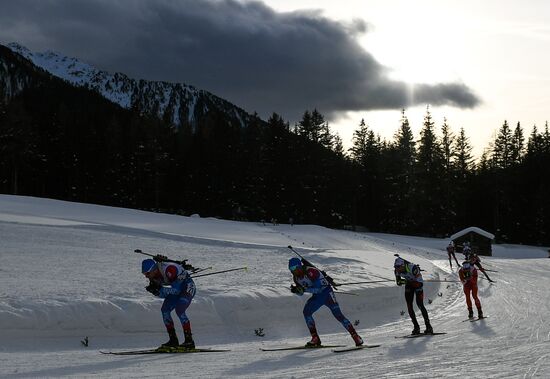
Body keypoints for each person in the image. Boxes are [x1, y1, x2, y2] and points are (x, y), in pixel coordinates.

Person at [288, 257, 363, 347]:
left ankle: (356, 337)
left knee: (339, 315)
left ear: (299, 266)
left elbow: (319, 289)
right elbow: (302, 292)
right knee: (306, 312)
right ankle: (315, 338)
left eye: (294, 268)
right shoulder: (296, 278)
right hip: (317, 297)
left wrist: (304, 289)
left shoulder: (311, 271)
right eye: (290, 269)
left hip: (327, 294)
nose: (293, 271)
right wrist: (297, 291)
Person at [142, 258, 196, 349]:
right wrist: (156, 292)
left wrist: (160, 289)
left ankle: (189, 341)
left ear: (154, 269)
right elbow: (164, 295)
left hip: (187, 287)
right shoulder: (153, 276)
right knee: (165, 310)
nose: (146, 276)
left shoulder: (170, 269)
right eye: (144, 274)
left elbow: (177, 290)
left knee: (179, 310)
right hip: (177, 290)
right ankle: (173, 340)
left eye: (147, 273)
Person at [394, 257, 433, 335]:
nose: (397, 269)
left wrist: (408, 281)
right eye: (395, 267)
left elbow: (419, 282)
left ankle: (428, 326)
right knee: (409, 306)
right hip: (409, 285)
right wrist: (406, 281)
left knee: (420, 305)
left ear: (402, 265)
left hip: (418, 284)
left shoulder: (412, 268)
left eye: (398, 267)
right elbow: (398, 282)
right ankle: (416, 327)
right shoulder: (397, 271)